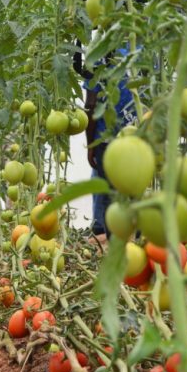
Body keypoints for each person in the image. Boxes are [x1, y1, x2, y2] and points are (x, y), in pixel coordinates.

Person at [83, 49, 136, 236]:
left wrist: (90, 144)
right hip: (136, 135)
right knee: (135, 190)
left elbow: (90, 104)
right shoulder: (142, 50)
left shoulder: (98, 54)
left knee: (108, 194)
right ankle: (137, 238)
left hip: (105, 138)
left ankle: (110, 239)